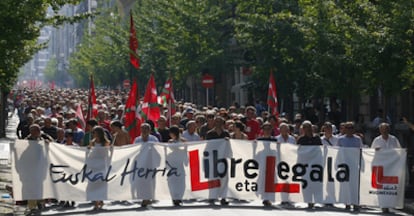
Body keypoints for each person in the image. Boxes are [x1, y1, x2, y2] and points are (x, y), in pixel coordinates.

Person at [337, 121, 363, 211]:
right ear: (345, 129)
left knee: (355, 185)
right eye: (347, 128)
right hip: (345, 166)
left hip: (355, 165)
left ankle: (355, 203)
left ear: (354, 129)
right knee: (345, 185)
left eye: (351, 128)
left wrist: (362, 165)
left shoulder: (358, 139)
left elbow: (361, 152)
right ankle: (347, 202)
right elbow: (337, 152)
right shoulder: (340, 139)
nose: (349, 129)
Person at [297, 121, 322, 209]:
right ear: (303, 129)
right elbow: (298, 151)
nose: (307, 129)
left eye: (308, 127)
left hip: (315, 165)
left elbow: (320, 150)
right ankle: (308, 201)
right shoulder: (301, 139)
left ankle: (316, 201)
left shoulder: (317, 138)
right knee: (306, 184)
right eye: (305, 127)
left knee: (315, 183)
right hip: (305, 165)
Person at [88, 126, 111, 210]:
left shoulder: (106, 142)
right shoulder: (92, 142)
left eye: (94, 132)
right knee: (93, 183)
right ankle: (96, 201)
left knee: (101, 183)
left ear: (99, 133)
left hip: (101, 164)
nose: (93, 134)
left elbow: (106, 153)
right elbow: (89, 151)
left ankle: (100, 199)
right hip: (94, 165)